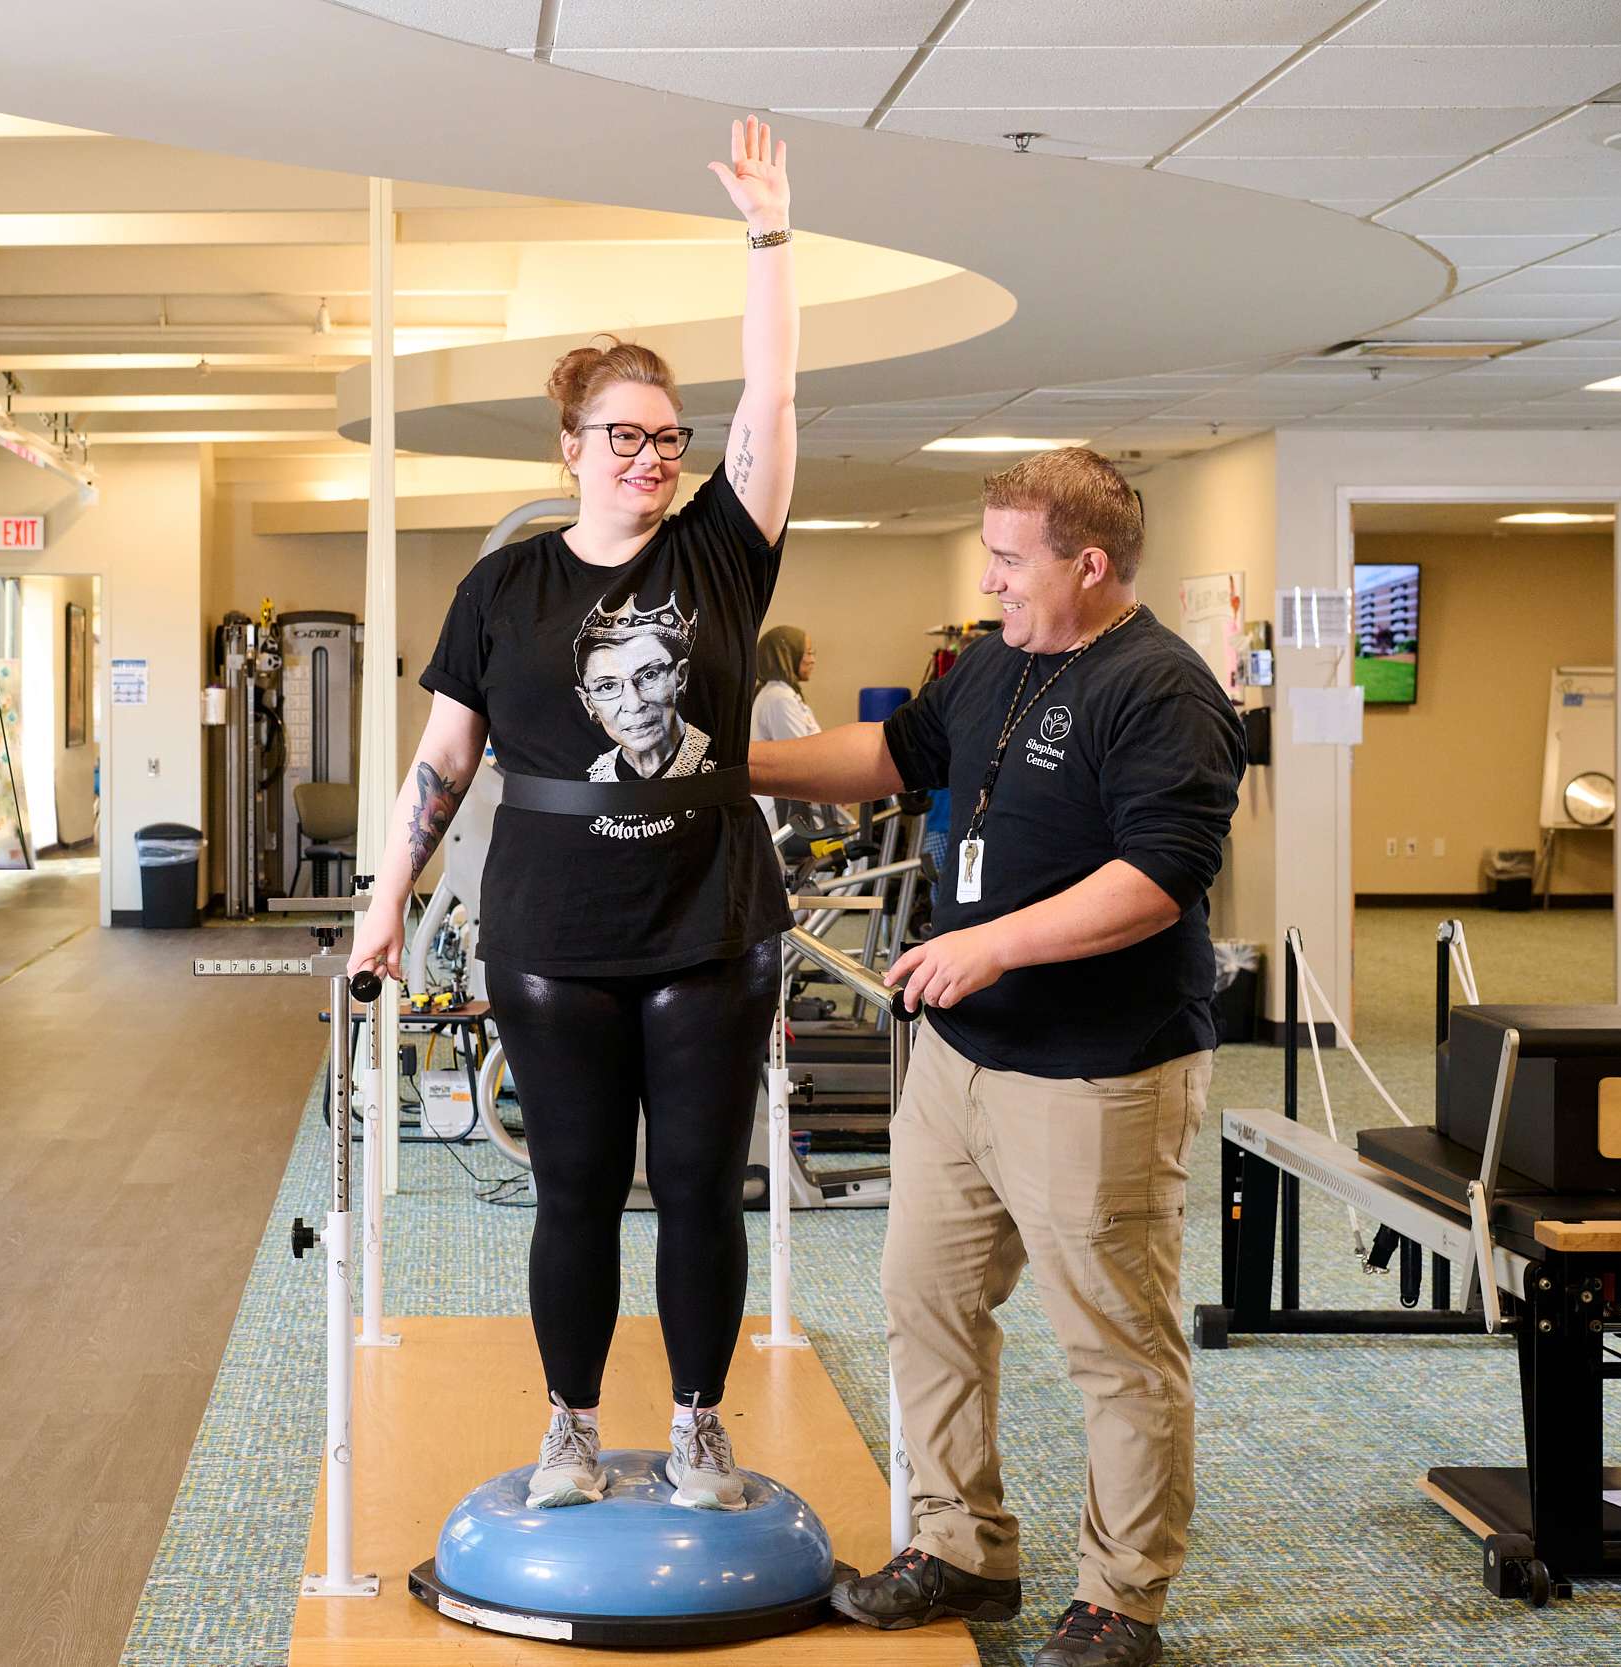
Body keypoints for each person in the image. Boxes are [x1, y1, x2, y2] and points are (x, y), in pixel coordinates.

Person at [349, 115, 798, 1514]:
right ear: (573, 442)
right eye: (623, 434)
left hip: (715, 920)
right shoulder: (506, 588)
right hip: (550, 928)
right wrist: (383, 902)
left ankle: (704, 1422)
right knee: (575, 1189)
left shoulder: (723, 554)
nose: (650, 455)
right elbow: (443, 758)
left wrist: (769, 242)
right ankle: (571, 1427)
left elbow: (773, 407)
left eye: (668, 435)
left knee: (705, 1188)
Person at [750, 448, 1244, 1667]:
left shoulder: (1161, 688)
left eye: (1009, 558)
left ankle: (1122, 1598)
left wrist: (993, 947)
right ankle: (961, 1547)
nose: (989, 575)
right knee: (927, 1303)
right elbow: (891, 755)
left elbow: (1160, 875)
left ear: (1088, 562)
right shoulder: (994, 660)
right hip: (960, 1067)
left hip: (1098, 1071)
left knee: (1114, 1346)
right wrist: (725, 763)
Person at [749, 624, 825, 830]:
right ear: (787, 654)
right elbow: (801, 758)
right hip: (780, 809)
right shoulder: (778, 698)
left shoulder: (782, 693)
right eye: (807, 653)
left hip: (784, 803)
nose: (812, 659)